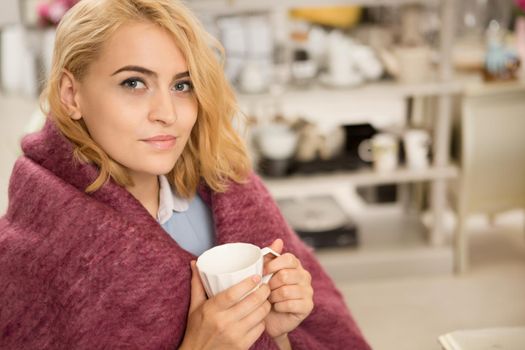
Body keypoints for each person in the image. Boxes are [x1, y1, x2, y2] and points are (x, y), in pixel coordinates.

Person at [0, 0, 370, 349]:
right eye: (134, 83)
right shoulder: (33, 256)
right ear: (71, 95)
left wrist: (277, 333)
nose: (167, 113)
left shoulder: (230, 188)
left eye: (182, 85)